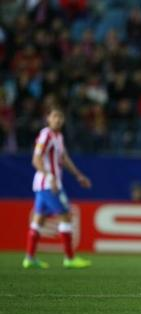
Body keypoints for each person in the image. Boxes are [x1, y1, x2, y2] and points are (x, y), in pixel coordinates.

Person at [23, 107, 93, 269]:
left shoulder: (59, 136)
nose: (58, 119)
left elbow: (64, 158)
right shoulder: (46, 135)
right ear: (48, 119)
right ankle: (69, 258)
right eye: (55, 116)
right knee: (66, 215)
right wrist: (49, 176)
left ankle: (29, 258)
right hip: (48, 184)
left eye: (61, 117)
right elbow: (36, 159)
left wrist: (78, 175)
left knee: (38, 219)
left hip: (45, 184)